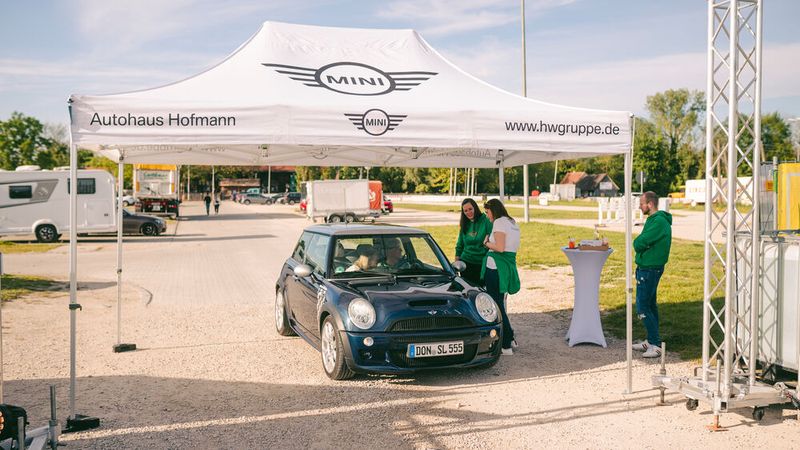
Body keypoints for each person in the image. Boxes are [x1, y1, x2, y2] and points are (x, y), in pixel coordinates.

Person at [631, 191, 672, 358]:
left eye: (642, 203)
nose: (640, 206)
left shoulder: (659, 222)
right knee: (650, 305)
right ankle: (651, 340)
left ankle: (655, 344)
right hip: (647, 267)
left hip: (649, 269)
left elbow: (639, 243)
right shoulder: (653, 220)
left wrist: (640, 244)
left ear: (650, 204)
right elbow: (643, 242)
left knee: (642, 307)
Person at [481, 199, 521, 356]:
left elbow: (500, 247)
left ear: (493, 210)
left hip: (496, 267)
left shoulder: (498, 222)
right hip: (506, 267)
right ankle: (510, 339)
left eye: (487, 212)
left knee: (496, 305)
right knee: (500, 303)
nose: (487, 215)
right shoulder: (512, 221)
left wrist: (486, 243)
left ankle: (506, 343)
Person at [455, 198, 492, 286]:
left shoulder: (486, 220)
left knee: (481, 293)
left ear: (475, 207)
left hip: (481, 263)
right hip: (466, 263)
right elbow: (460, 245)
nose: (468, 212)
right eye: (465, 211)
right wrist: (456, 265)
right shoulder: (465, 223)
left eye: (470, 209)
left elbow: (492, 240)